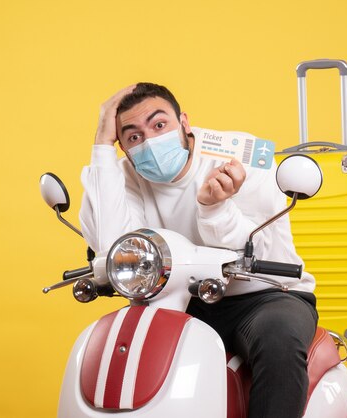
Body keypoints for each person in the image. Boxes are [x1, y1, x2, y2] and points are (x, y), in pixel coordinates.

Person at [79, 82, 318, 418]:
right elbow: (113, 247)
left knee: (278, 342)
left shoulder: (240, 157)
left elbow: (257, 249)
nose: (148, 141)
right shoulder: (123, 176)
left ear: (185, 123)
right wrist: (102, 145)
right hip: (180, 299)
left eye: (159, 125)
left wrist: (214, 209)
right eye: (132, 136)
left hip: (265, 296)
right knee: (128, 350)